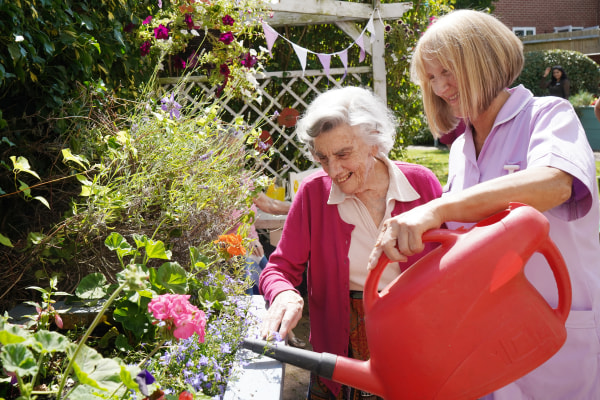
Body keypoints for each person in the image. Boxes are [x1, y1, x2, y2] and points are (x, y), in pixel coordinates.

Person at [369, 10, 600, 400]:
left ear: (484, 60)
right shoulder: (461, 147)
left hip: (552, 329)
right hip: (486, 339)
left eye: (448, 71)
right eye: (431, 78)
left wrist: (439, 209)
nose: (440, 87)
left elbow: (557, 183)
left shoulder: (547, 115)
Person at [258, 86, 443, 399]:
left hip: (418, 335)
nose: (334, 170)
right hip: (341, 343)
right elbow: (279, 268)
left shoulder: (421, 184)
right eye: (322, 158)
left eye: (343, 154)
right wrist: (285, 294)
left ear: (373, 141)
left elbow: (456, 258)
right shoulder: (314, 193)